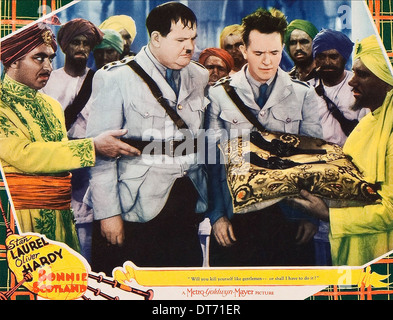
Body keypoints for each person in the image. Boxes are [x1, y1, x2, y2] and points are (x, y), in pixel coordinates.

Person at [86, 2, 209, 275]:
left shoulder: (199, 75)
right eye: (180, 40)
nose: (189, 47)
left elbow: (197, 140)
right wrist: (108, 214)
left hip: (187, 197)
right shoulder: (117, 78)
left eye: (192, 39)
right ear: (156, 38)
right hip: (135, 206)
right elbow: (101, 156)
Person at [0, 23, 139, 252]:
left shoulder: (51, 105)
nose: (47, 66)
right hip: (20, 217)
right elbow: (24, 155)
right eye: (39, 58)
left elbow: (60, 156)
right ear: (13, 60)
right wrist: (92, 146)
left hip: (62, 217)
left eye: (50, 58)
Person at [205, 8, 322, 267]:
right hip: (237, 214)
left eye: (275, 53)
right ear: (244, 51)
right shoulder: (219, 94)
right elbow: (212, 163)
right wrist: (216, 216)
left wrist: (311, 216)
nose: (268, 61)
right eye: (259, 53)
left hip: (290, 213)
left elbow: (314, 160)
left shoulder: (303, 94)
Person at [292, 34, 393, 266]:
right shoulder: (370, 123)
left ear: (387, 81)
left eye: (363, 74)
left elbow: (390, 211)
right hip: (349, 239)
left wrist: (328, 215)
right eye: (355, 72)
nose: (352, 81)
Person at [41, 18, 104, 263]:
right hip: (58, 166)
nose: (81, 48)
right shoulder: (48, 81)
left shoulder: (99, 82)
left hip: (90, 166)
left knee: (86, 240)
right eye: (76, 42)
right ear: (65, 47)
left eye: (86, 44)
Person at [312, 29, 369, 147]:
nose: (327, 62)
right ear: (315, 59)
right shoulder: (306, 88)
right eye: (321, 57)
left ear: (344, 58)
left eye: (333, 57)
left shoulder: (359, 86)